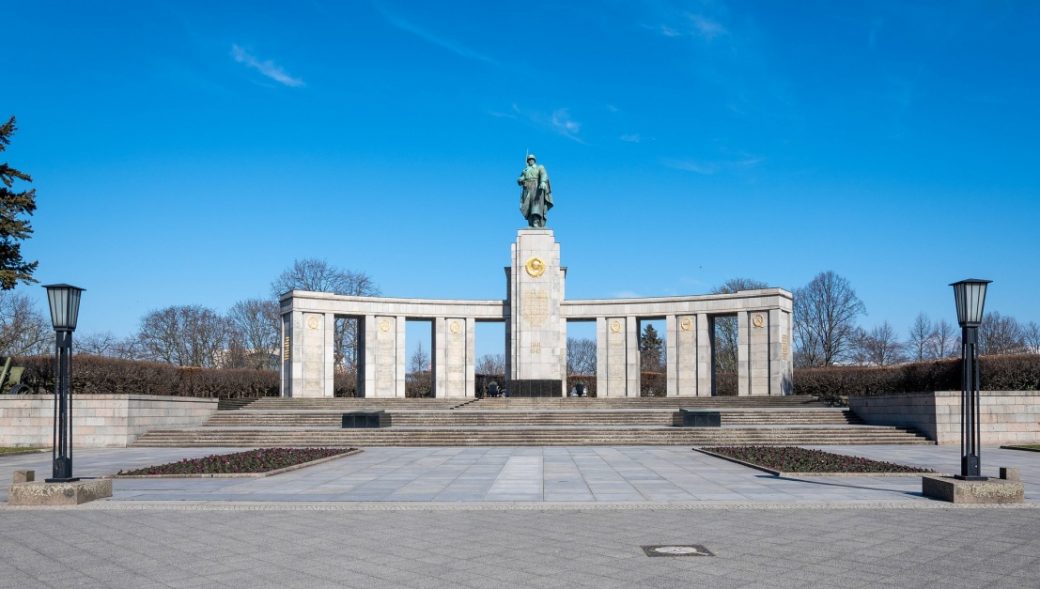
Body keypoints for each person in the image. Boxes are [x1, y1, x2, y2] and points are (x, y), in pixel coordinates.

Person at [517, 154, 552, 227]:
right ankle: (530, 222)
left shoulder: (540, 167)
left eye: (532, 159)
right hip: (526, 188)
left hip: (536, 188)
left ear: (534, 160)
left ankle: (536, 221)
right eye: (529, 160)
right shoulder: (525, 170)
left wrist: (542, 182)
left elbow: (544, 174)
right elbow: (520, 179)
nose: (530, 161)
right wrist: (520, 180)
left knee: (536, 205)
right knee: (527, 206)